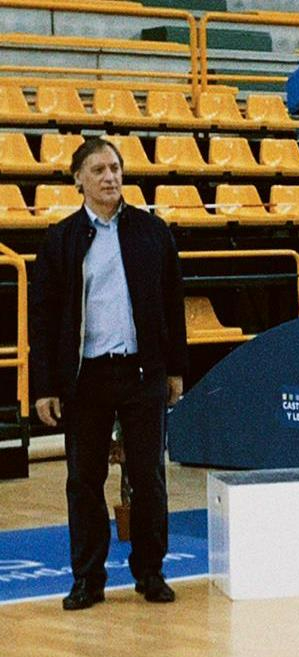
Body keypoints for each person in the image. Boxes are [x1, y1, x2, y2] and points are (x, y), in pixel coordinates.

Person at [29, 137, 188, 610]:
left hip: (142, 374)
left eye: (115, 168)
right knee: (83, 480)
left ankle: (151, 573)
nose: (110, 177)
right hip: (86, 380)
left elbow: (172, 305)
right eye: (98, 170)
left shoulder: (152, 232)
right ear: (78, 178)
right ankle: (87, 579)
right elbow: (43, 318)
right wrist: (45, 387)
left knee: (149, 476)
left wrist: (175, 370)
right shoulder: (61, 239)